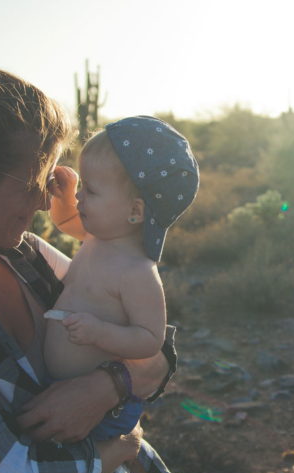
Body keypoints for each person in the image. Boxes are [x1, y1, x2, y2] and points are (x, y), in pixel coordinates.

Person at [0, 55, 183, 473]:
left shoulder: (25, 257)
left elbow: (156, 356)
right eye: (33, 180)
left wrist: (106, 386)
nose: (47, 202)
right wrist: (123, 447)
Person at [45, 118, 199, 442]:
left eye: (92, 190)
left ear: (136, 210)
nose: (80, 199)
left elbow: (149, 339)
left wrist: (100, 333)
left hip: (100, 412)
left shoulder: (136, 273)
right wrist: (64, 195)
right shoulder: (98, 234)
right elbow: (66, 220)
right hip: (62, 390)